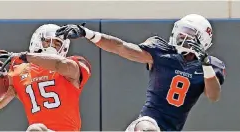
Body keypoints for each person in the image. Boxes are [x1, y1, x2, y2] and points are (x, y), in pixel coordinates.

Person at [55, 14, 226, 131]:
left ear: (202, 39)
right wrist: (88, 33)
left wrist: (204, 63)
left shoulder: (210, 66)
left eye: (188, 33)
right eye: (181, 31)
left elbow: (213, 95)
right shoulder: (162, 51)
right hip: (144, 124)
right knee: (148, 128)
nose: (181, 36)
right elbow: (121, 47)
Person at [0, 24, 92, 131]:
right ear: (36, 41)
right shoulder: (19, 73)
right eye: (47, 41)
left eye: (57, 43)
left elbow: (61, 64)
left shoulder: (73, 64)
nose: (52, 46)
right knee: (35, 129)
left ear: (64, 48)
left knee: (35, 129)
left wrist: (26, 56)